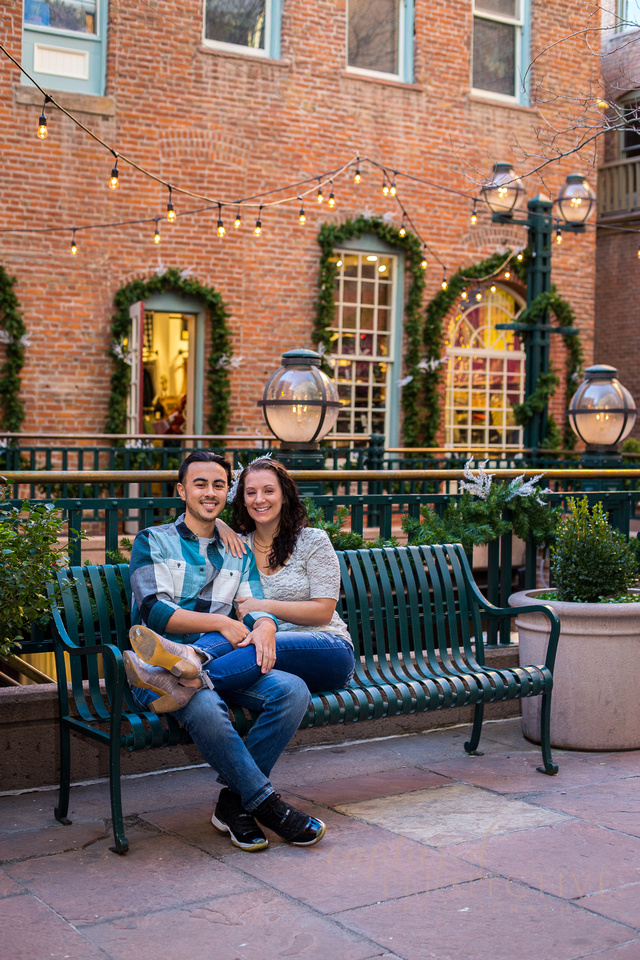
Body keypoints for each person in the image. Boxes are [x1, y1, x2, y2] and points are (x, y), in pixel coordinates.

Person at [125, 450, 326, 852]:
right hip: (153, 672)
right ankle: (267, 806)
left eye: (219, 484)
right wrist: (221, 622)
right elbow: (154, 611)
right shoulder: (153, 541)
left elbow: (252, 606)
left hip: (214, 667)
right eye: (200, 484)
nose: (210, 492)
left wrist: (266, 625)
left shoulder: (238, 550)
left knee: (292, 690)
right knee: (201, 704)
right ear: (182, 490)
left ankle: (234, 805)